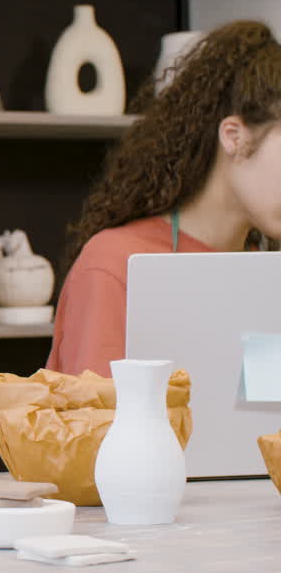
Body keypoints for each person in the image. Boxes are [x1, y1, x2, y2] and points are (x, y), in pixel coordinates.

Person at [48, 20, 281, 377]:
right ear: (234, 136)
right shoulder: (115, 266)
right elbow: (92, 429)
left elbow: (264, 415)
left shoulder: (263, 277)